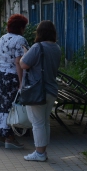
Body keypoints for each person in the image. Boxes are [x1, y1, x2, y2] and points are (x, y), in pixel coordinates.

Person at [20, 20, 61, 161]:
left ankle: (39, 153)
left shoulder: (37, 47)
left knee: (37, 123)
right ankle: (43, 150)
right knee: (45, 121)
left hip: (38, 90)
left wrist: (26, 54)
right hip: (51, 89)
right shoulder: (57, 48)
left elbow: (24, 64)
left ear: (39, 32)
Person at [0, 14, 29, 149]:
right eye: (24, 27)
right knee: (12, 107)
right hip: (12, 76)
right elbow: (19, 62)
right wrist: (21, 82)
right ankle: (10, 138)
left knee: (2, 105)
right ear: (20, 27)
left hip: (0, 75)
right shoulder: (20, 40)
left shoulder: (3, 38)